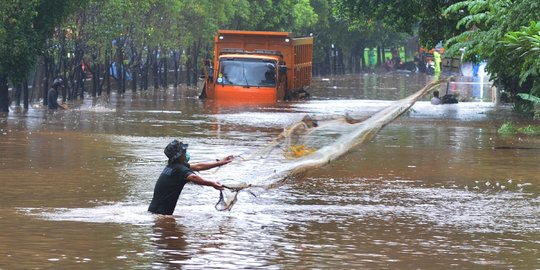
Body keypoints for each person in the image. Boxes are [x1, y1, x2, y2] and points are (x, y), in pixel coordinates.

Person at [148, 140, 234, 215]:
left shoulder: (173, 166)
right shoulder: (179, 169)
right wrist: (212, 183)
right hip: (160, 213)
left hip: (155, 211)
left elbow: (198, 166)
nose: (186, 153)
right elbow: (193, 177)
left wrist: (220, 162)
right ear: (180, 155)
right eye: (184, 151)